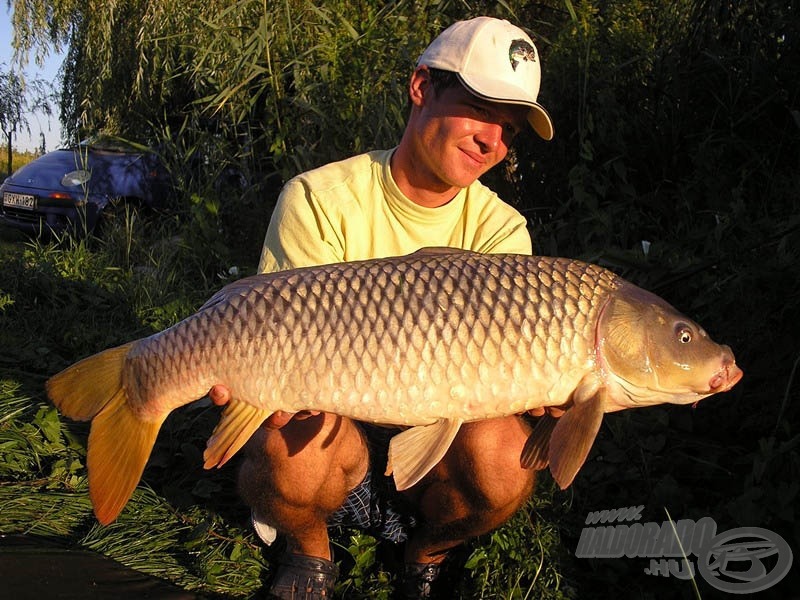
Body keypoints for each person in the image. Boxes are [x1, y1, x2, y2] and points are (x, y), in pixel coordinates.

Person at [210, 16, 556, 599]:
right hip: (333, 434)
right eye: (479, 109)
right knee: (287, 446)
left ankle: (425, 552)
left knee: (507, 462)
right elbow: (273, 337)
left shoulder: (502, 230)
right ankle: (310, 552)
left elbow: (490, 393)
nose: (491, 141)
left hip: (433, 437)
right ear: (422, 87)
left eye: (509, 128)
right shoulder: (320, 200)